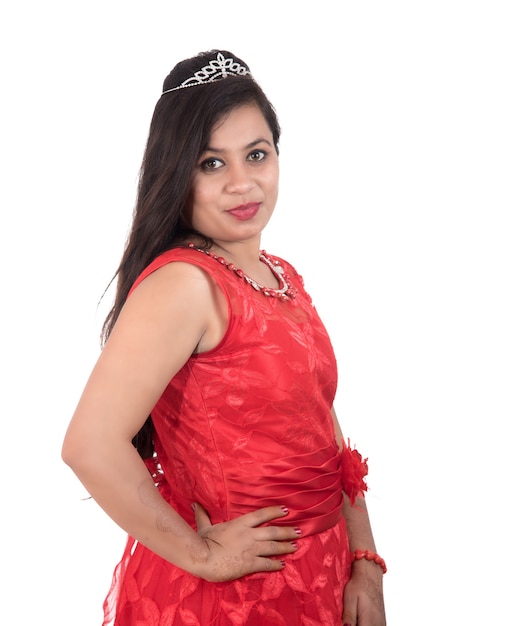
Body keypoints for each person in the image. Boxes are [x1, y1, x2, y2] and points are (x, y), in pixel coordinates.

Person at [62, 49, 387, 626]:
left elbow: (320, 418)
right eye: (212, 164)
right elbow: (89, 445)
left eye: (256, 155)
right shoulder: (184, 285)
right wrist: (203, 557)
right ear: (176, 171)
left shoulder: (282, 275)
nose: (242, 183)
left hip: (323, 572)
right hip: (238, 596)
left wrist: (364, 558)